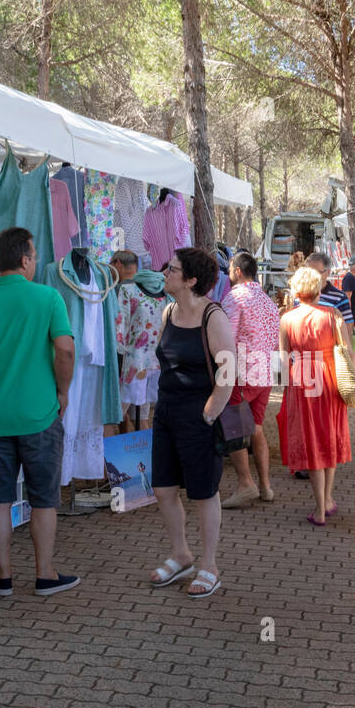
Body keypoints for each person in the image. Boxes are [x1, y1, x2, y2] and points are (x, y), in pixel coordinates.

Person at [0, 227, 78, 599]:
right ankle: (45, 576)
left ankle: (3, 577)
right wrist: (62, 390)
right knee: (44, 499)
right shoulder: (48, 298)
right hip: (40, 416)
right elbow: (66, 350)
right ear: (25, 259)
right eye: (34, 255)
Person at [148, 247, 235, 598]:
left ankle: (209, 565)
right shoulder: (168, 312)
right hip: (167, 411)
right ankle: (180, 554)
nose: (165, 272)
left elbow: (228, 371)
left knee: (203, 491)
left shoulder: (214, 317)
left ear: (191, 280)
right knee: (163, 489)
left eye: (173, 269)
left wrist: (209, 412)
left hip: (199, 415)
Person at [277, 266, 353, 525]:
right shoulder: (333, 315)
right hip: (330, 377)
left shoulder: (287, 319)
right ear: (318, 289)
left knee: (310, 440)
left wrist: (287, 387)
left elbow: (282, 358)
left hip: (302, 379)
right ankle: (328, 500)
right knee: (328, 436)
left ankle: (320, 507)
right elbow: (348, 351)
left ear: (297, 290)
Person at [221, 251, 280, 508]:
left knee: (234, 427)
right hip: (265, 371)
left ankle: (246, 483)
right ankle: (265, 486)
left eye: (230, 269)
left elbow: (226, 337)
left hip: (241, 371)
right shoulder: (268, 300)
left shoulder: (235, 297)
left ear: (237, 271)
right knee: (256, 426)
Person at [112, 249, 165, 433]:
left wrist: (119, 351)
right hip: (156, 361)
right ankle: (146, 459)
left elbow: (120, 326)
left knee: (116, 414)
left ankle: (109, 460)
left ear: (117, 263)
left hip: (134, 361)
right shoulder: (163, 290)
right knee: (142, 416)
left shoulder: (125, 289)